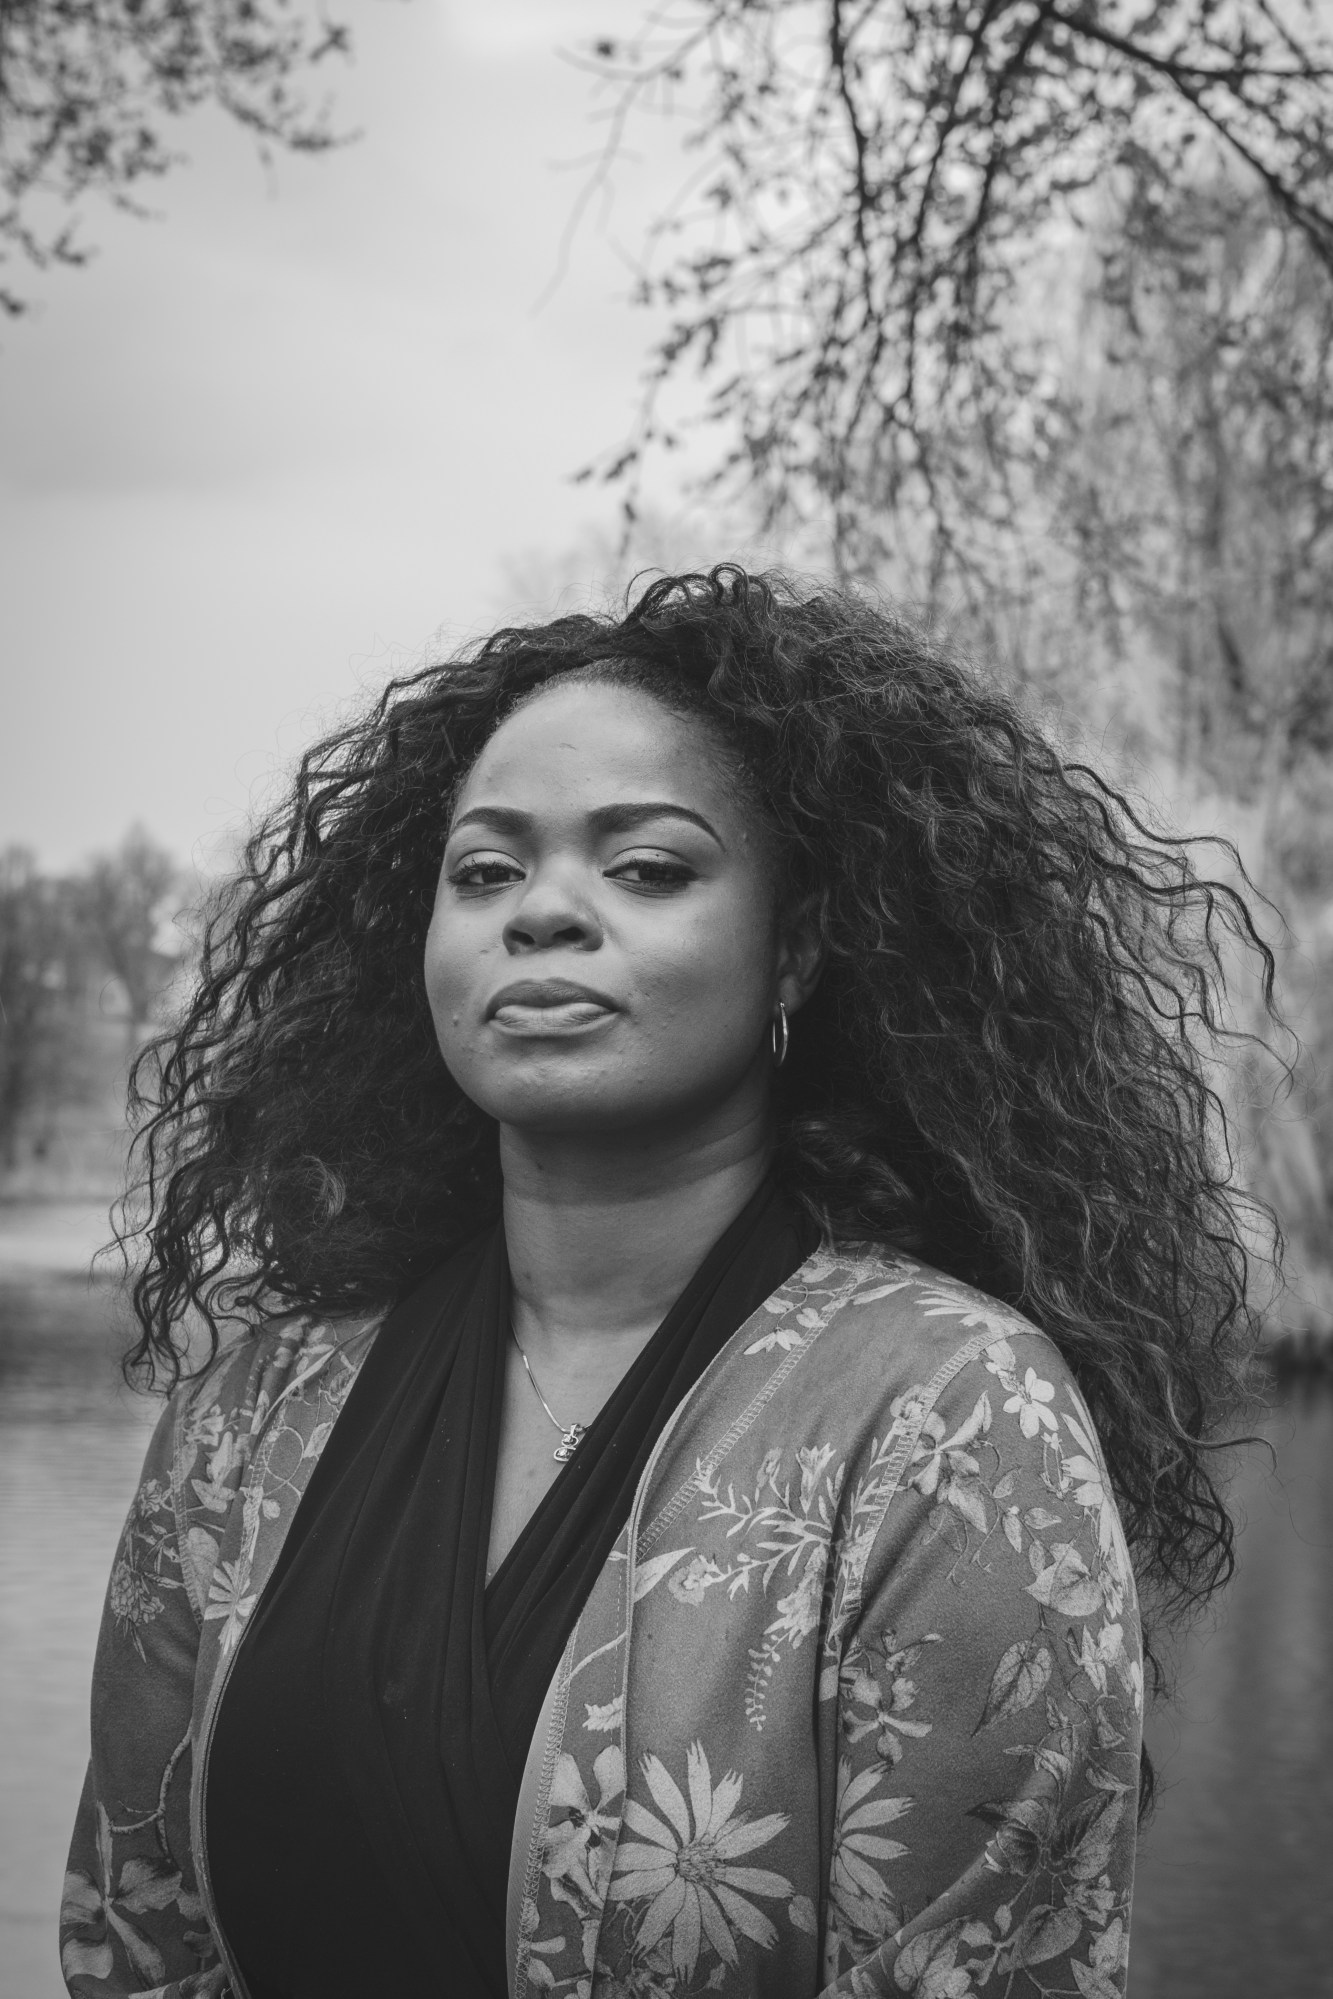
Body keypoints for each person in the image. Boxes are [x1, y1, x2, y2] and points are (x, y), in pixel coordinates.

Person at [61, 569, 1268, 1999]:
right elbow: (137, 1937)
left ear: (796, 948)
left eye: (645, 868)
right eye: (485, 872)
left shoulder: (947, 1414)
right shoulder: (255, 1408)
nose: (542, 913)